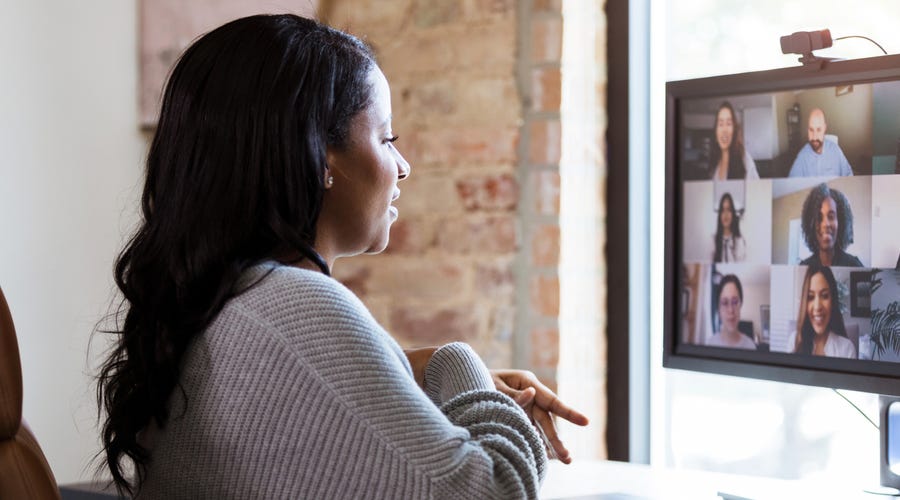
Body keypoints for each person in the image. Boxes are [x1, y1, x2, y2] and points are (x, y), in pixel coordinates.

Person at [96, 15, 588, 499]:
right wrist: (454, 361)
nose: (403, 166)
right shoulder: (294, 303)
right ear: (321, 157)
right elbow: (496, 491)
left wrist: (400, 368)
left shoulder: (218, 303)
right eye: (386, 138)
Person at [790, 264, 857, 358]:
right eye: (810, 297)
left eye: (825, 296)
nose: (817, 307)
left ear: (832, 300)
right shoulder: (794, 341)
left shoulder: (847, 349)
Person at [799, 183, 863, 267]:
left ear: (840, 222)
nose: (826, 224)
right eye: (819, 217)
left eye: (831, 217)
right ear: (811, 224)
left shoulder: (854, 265)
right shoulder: (804, 266)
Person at [788, 108, 854, 177]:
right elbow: (792, 184)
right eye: (811, 130)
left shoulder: (836, 151)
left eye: (818, 130)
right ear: (807, 130)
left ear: (824, 128)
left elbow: (849, 175)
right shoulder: (802, 156)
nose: (814, 137)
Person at [709, 101, 759, 180]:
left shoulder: (745, 160)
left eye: (728, 123)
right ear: (716, 132)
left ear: (734, 130)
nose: (724, 130)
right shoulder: (715, 162)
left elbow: (756, 190)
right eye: (720, 124)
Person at [707, 274, 756, 350]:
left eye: (735, 302)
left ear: (741, 304)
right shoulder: (710, 344)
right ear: (719, 309)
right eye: (725, 303)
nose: (731, 310)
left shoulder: (751, 346)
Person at [712, 192, 746, 262]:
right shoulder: (713, 240)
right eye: (722, 210)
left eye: (729, 210)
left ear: (733, 213)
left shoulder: (739, 241)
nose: (725, 214)